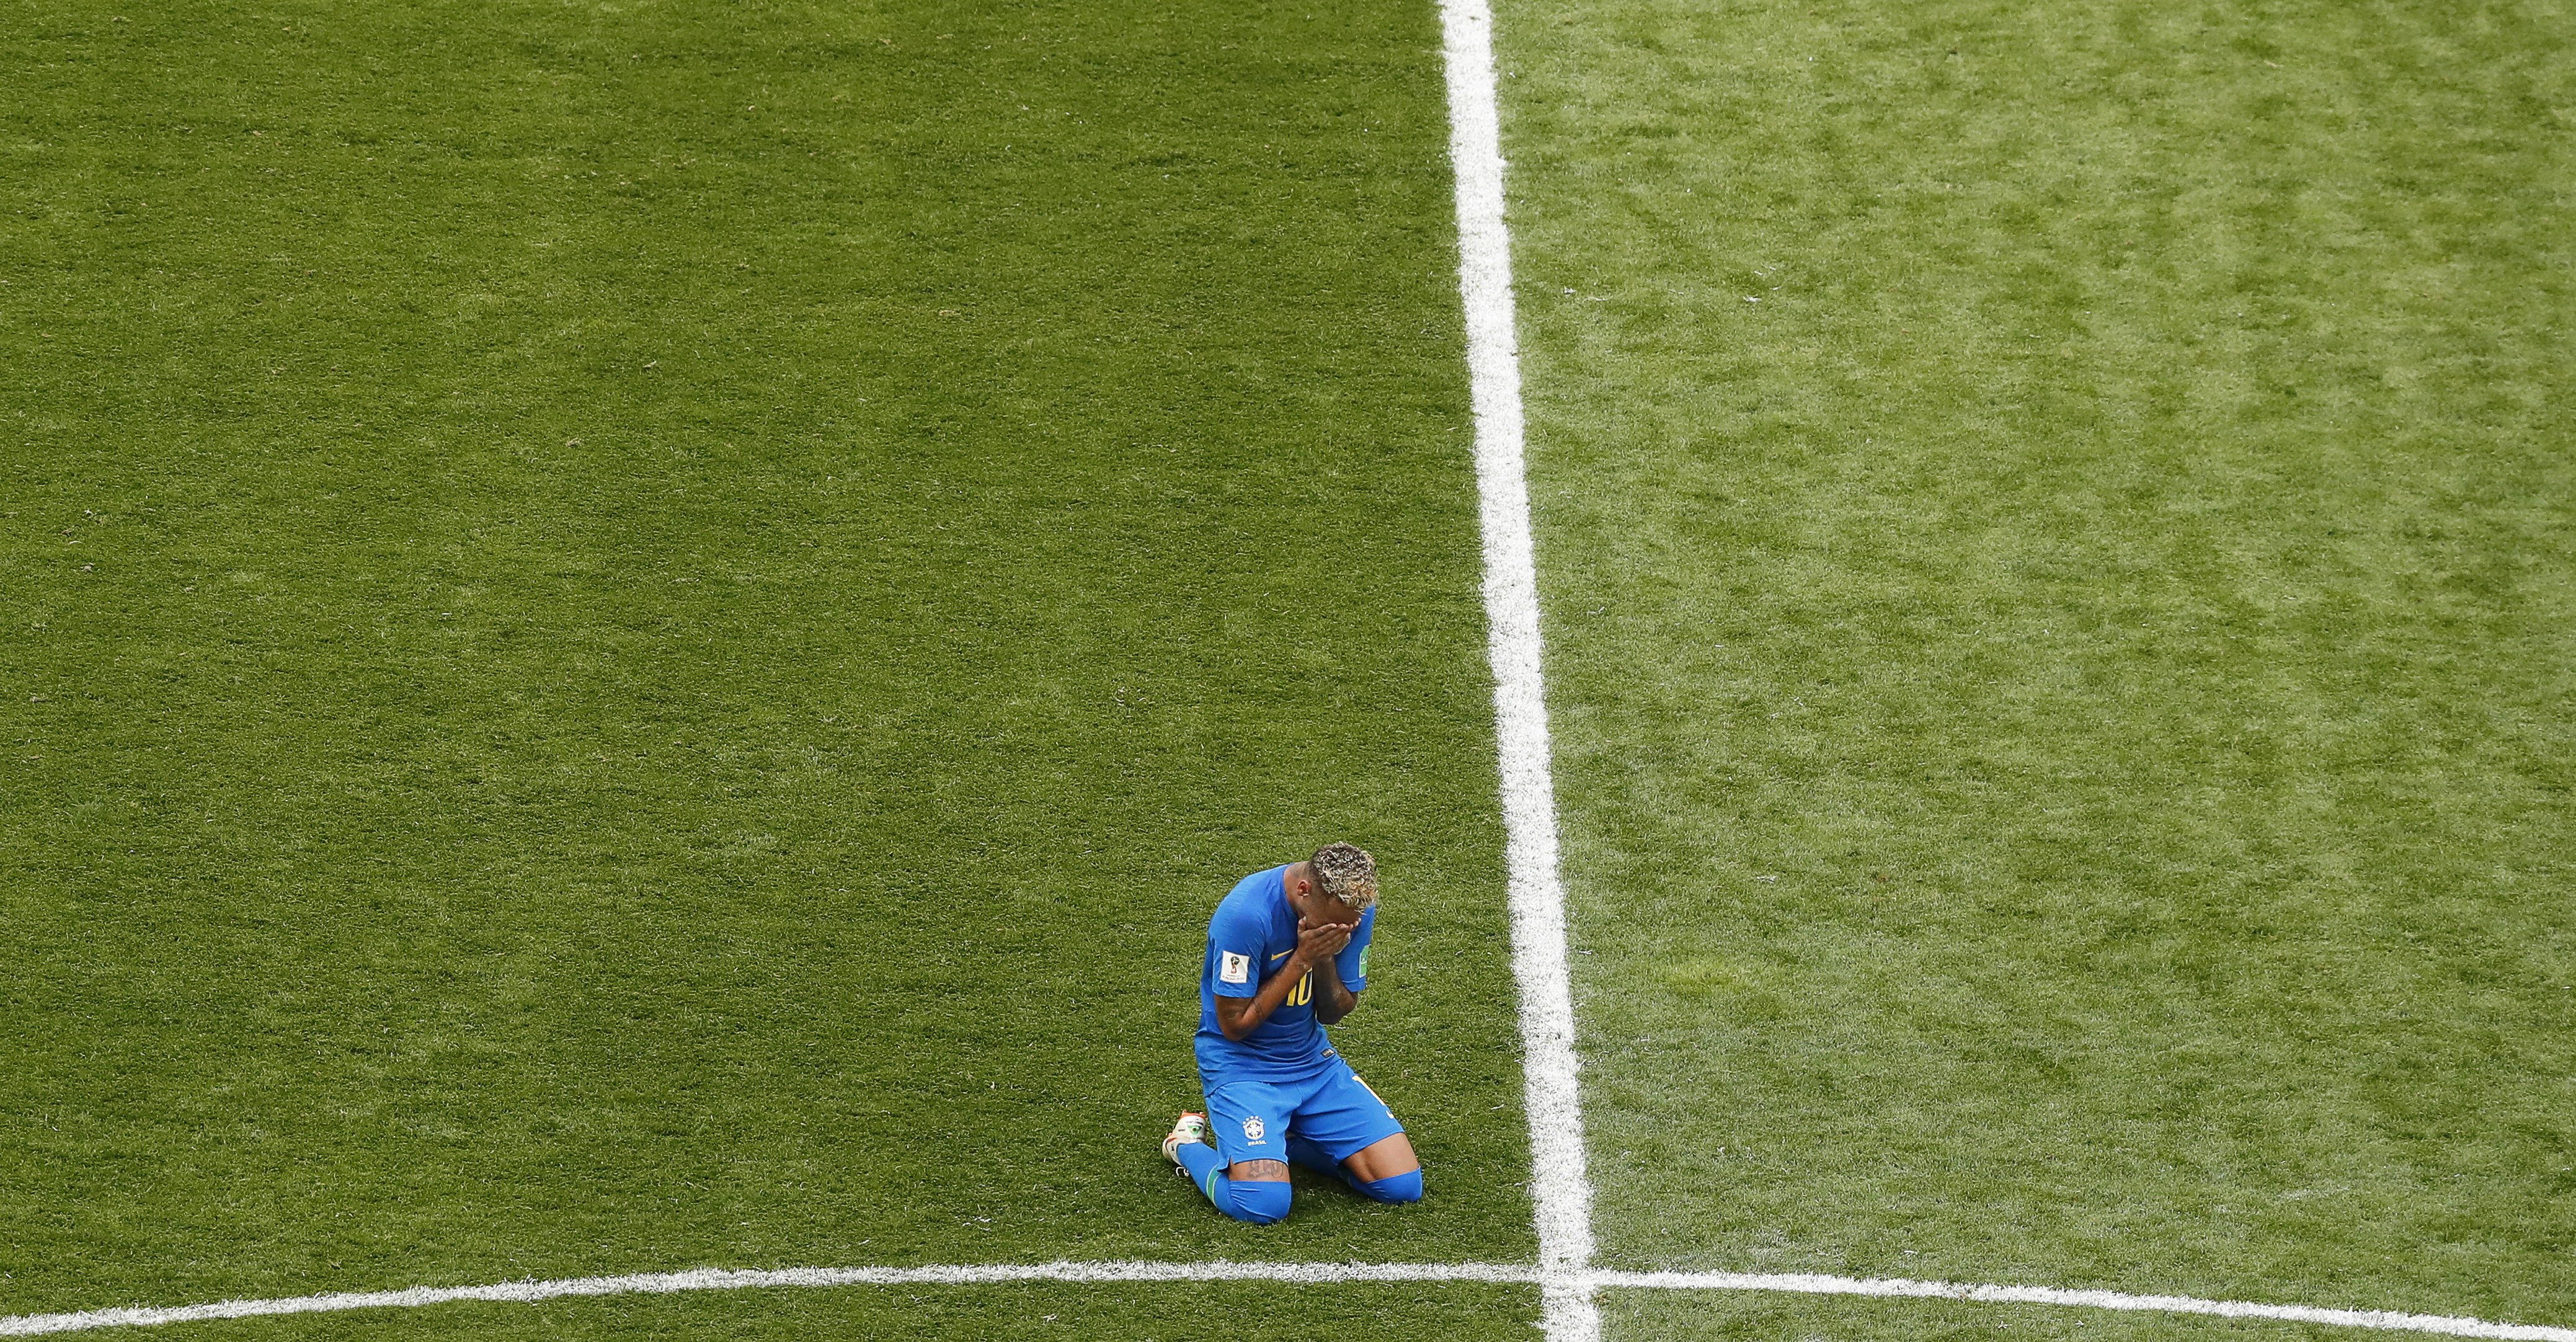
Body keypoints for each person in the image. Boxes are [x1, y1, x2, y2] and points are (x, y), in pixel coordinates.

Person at [1160, 842, 1423, 1224]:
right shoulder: (1245, 916)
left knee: (1401, 1186)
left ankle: (1286, 1139)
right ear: (1305, 892)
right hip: (1242, 1068)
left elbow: (1337, 1011)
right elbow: (1234, 1026)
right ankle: (1184, 1144)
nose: (1346, 929)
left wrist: (1325, 956)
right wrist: (1301, 960)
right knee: (1263, 1205)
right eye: (1336, 924)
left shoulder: (1352, 912)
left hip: (1312, 1064)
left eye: (1351, 923)